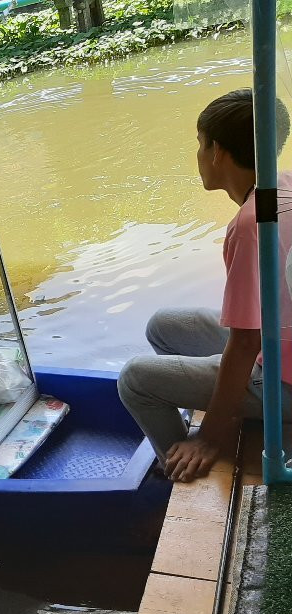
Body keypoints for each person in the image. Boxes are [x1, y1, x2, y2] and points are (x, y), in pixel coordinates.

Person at [118, 89, 292, 482]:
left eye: (199, 144)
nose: (198, 155)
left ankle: (183, 468)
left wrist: (210, 435)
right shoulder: (284, 185)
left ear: (217, 152)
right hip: (280, 344)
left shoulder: (251, 227)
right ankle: (214, 416)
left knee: (135, 380)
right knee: (163, 325)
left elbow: (246, 342)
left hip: (283, 377)